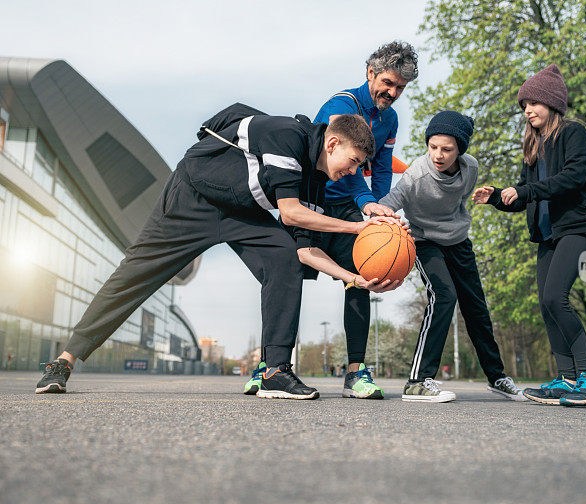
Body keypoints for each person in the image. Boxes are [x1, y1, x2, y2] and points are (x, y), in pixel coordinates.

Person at [35, 106, 401, 399]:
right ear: (333, 144)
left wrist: (355, 279)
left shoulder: (316, 183)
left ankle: (275, 371)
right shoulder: (288, 136)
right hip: (192, 197)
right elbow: (289, 212)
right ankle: (64, 361)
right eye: (353, 162)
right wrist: (357, 227)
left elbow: (305, 251)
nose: (354, 172)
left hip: (241, 213)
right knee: (136, 273)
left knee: (285, 259)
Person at [473, 65, 586, 406]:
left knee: (556, 298)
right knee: (546, 305)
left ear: (552, 103)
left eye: (533, 102)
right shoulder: (533, 147)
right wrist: (497, 196)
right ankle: (567, 379)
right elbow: (525, 196)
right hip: (548, 235)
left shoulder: (573, 133)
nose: (528, 110)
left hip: (578, 227)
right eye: (524, 106)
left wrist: (526, 191)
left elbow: (573, 178)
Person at [381, 111, 526, 403]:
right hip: (424, 241)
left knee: (476, 307)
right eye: (433, 146)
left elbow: (457, 201)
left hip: (458, 240)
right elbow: (389, 202)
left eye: (447, 149)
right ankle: (418, 380)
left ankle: (497, 377)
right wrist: (381, 215)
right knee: (444, 295)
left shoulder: (470, 168)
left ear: (460, 149)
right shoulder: (416, 175)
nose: (438, 154)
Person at [309, 41, 419, 400]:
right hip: (313, 201)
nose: (393, 92)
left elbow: (383, 167)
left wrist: (385, 208)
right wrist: (366, 200)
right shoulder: (340, 106)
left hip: (348, 208)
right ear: (370, 73)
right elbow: (348, 160)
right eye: (388, 82)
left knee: (361, 278)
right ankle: (273, 364)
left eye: (401, 87)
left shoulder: (390, 119)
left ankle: (355, 372)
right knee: (287, 278)